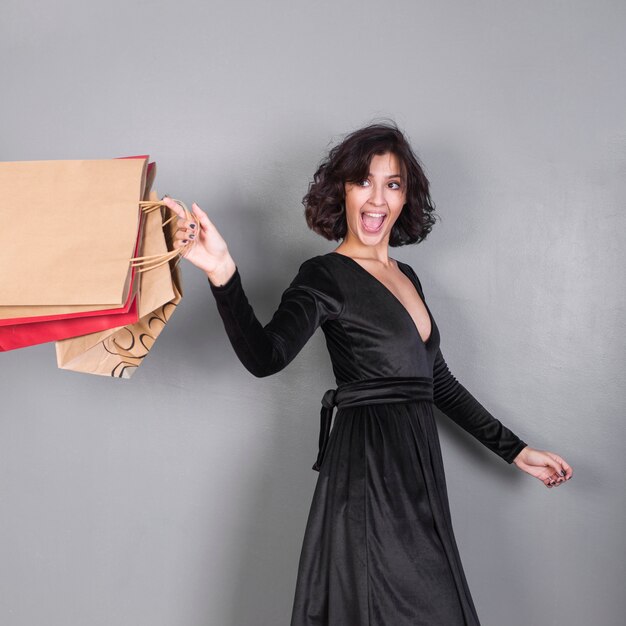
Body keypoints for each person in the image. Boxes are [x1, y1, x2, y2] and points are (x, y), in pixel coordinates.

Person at [162, 121, 573, 626]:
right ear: (342, 190)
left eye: (392, 184)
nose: (377, 199)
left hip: (416, 473)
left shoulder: (407, 277)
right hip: (368, 472)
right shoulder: (325, 275)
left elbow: (434, 380)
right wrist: (222, 272)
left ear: (406, 198)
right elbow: (265, 357)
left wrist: (516, 450)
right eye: (364, 181)